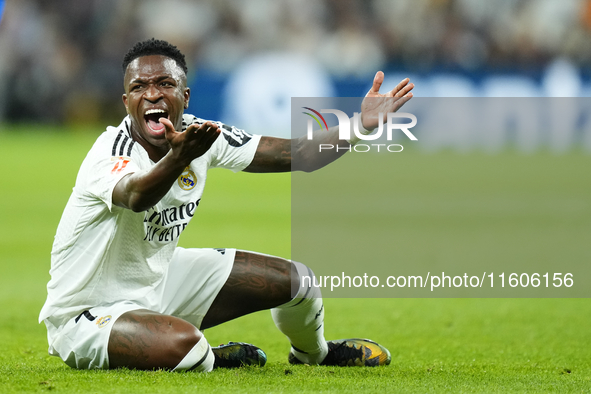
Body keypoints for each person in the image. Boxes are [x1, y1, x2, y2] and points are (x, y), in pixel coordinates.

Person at [39, 38, 414, 372]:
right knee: (188, 348)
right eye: (139, 87)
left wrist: (360, 125)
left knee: (299, 282)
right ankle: (211, 356)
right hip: (87, 314)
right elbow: (136, 196)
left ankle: (314, 355)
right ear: (127, 101)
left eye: (164, 84)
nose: (151, 94)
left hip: (157, 282)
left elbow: (298, 153)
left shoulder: (203, 134)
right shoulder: (112, 151)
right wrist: (176, 158)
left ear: (185, 96)